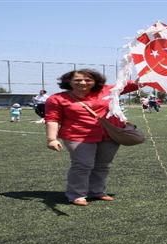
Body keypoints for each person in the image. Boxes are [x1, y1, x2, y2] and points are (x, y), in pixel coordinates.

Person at [45, 69, 139, 206]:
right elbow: (52, 119)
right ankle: (76, 194)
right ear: (68, 81)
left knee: (103, 166)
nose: (83, 83)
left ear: (95, 81)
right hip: (77, 136)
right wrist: (51, 139)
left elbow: (135, 84)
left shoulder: (108, 90)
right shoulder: (57, 98)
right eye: (77, 80)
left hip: (109, 134)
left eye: (88, 80)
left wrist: (152, 70)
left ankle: (96, 191)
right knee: (83, 165)